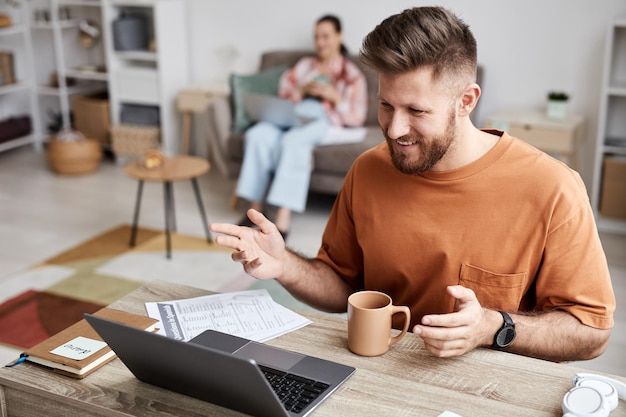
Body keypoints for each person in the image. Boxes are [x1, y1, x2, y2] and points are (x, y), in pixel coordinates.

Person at [211, 7, 615, 363]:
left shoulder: (553, 188)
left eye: (416, 110)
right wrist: (287, 267)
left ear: (467, 100)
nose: (395, 129)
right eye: (386, 105)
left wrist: (494, 326)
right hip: (381, 376)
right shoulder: (367, 170)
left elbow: (591, 332)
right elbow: (343, 287)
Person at [235, 14, 368, 239]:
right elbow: (284, 94)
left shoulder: (351, 75)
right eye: (316, 37)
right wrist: (302, 91)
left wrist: (335, 97)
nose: (320, 42)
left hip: (321, 119)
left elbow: (357, 117)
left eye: (325, 36)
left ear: (339, 36)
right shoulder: (305, 65)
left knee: (293, 141)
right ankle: (255, 209)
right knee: (258, 134)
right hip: (291, 113)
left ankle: (282, 220)